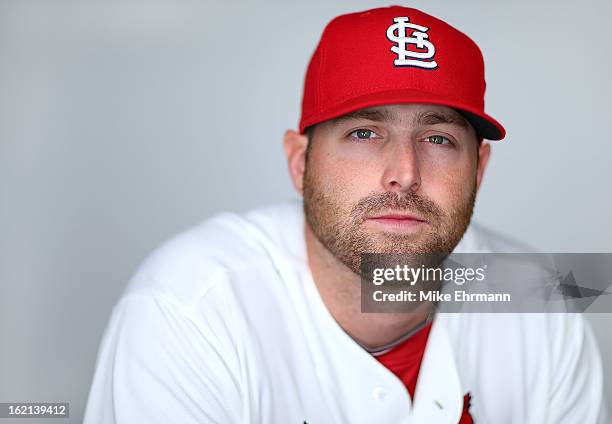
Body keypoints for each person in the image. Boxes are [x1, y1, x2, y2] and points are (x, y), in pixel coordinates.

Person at [83, 6, 609, 423]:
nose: (404, 172)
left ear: (479, 168)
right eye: (364, 133)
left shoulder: (541, 298)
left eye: (438, 138)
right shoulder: (193, 305)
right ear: (300, 161)